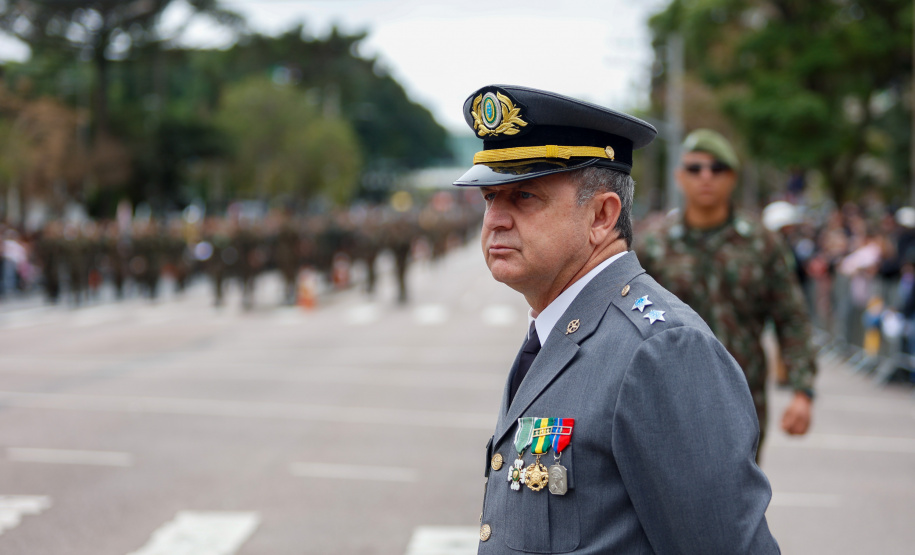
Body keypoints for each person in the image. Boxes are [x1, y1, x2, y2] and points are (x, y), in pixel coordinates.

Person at [454, 85, 778, 554]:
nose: (496, 219)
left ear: (603, 216)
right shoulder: (557, 329)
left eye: (524, 196)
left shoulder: (660, 350)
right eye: (490, 198)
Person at [637, 129, 817, 461]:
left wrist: (802, 391)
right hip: (667, 397)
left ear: (732, 177)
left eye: (717, 168)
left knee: (737, 503)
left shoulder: (761, 243)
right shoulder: (652, 246)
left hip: (741, 397)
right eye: (695, 168)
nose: (706, 176)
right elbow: (625, 320)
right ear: (679, 177)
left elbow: (791, 319)